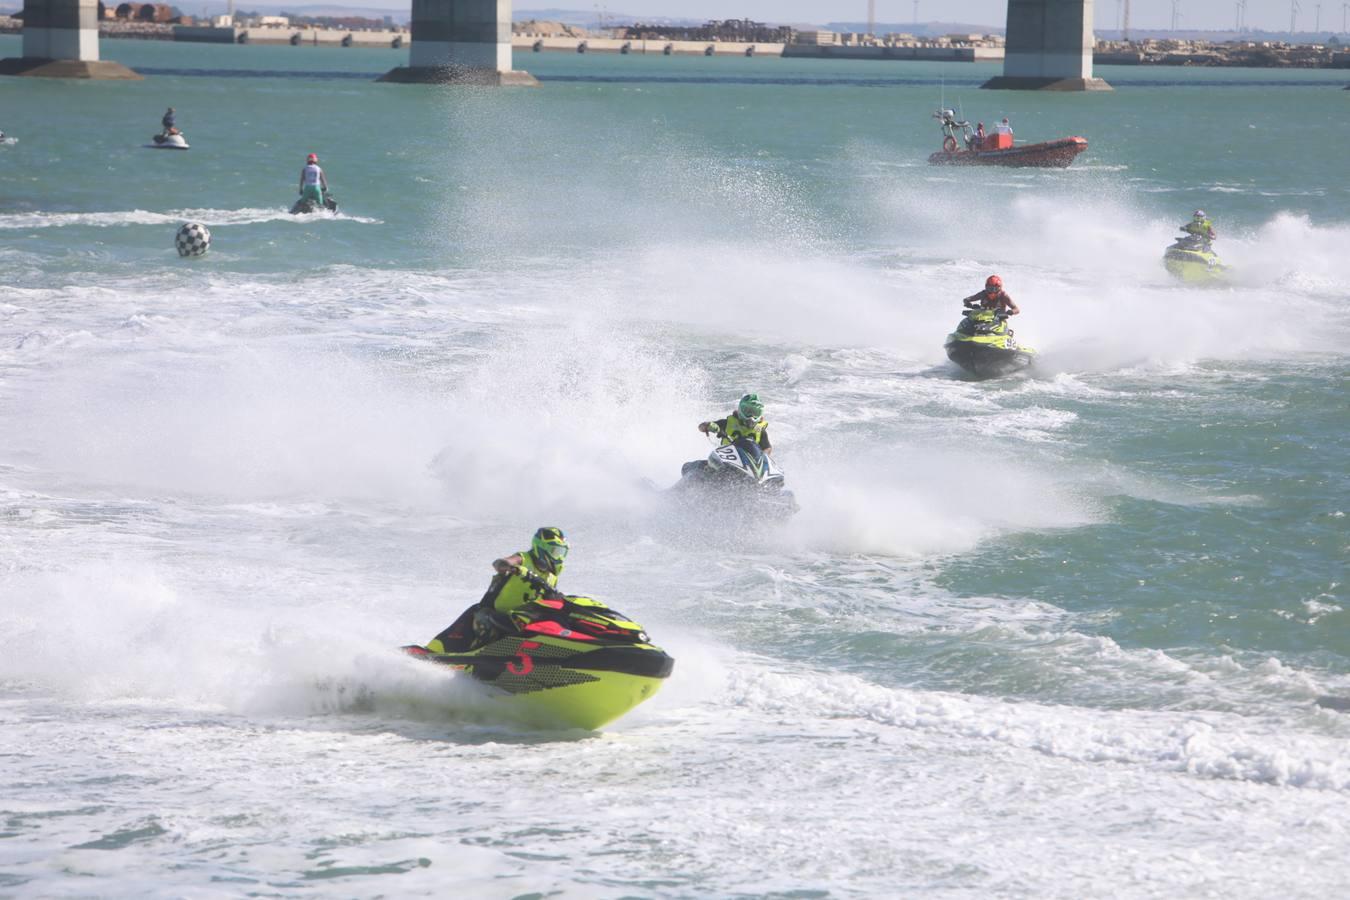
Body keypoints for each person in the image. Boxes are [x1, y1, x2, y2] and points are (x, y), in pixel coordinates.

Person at [423, 527, 570, 653]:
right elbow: (503, 562)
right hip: (492, 614)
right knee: (487, 622)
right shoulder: (523, 559)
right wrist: (508, 565)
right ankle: (470, 657)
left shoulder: (551, 577)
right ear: (541, 547)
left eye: (561, 553)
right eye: (555, 551)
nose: (558, 557)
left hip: (521, 620)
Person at [699, 393, 772, 455]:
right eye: (747, 411)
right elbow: (701, 427)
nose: (751, 417)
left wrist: (764, 456)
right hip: (727, 460)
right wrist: (708, 425)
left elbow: (767, 448)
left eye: (756, 413)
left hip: (751, 464)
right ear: (740, 409)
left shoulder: (759, 429)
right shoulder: (727, 423)